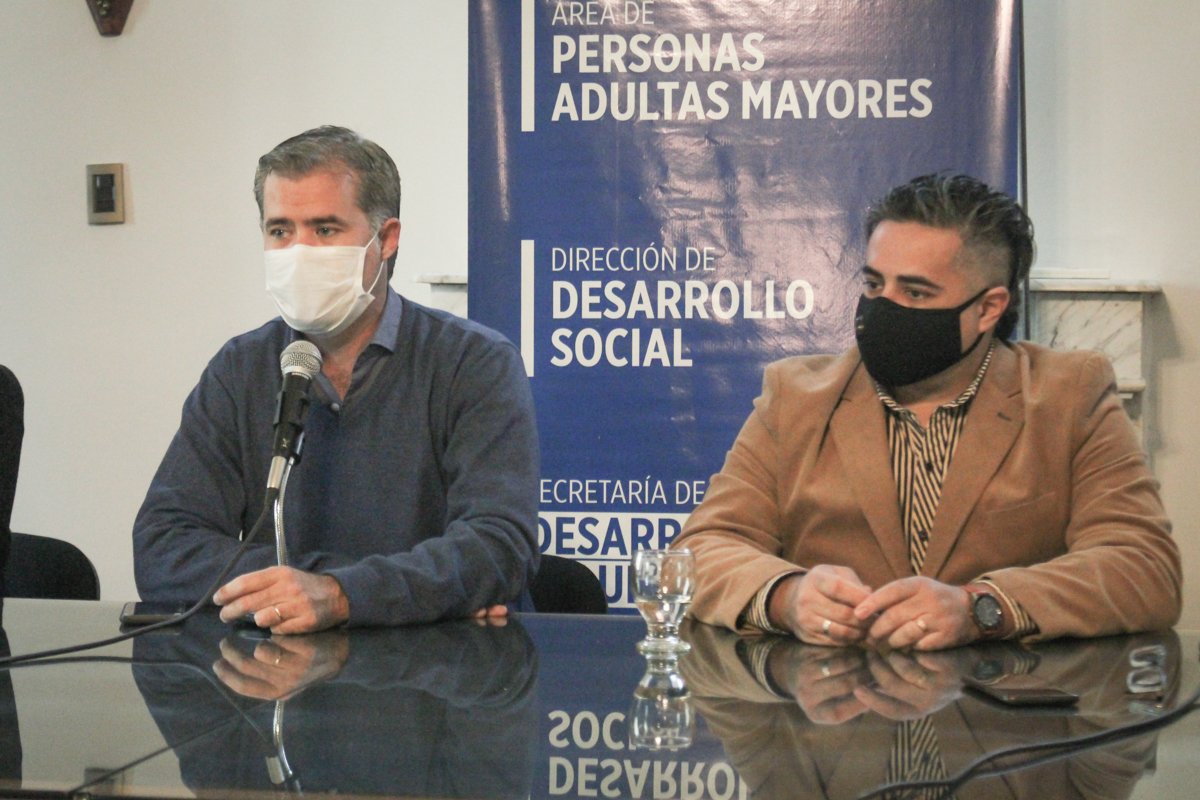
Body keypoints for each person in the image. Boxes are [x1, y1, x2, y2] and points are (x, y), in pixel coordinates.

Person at [673, 172, 1180, 650]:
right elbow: (700, 552)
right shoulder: (797, 397)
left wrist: (981, 607)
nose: (883, 308)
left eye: (915, 292)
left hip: (1000, 703)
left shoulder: (1068, 396)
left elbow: (1144, 569)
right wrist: (786, 597)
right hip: (832, 703)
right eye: (875, 285)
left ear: (988, 308)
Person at [133, 126, 539, 633]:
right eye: (280, 231)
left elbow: (497, 548)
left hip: (439, 669)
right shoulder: (240, 368)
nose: (298, 251)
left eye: (325, 230)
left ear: (386, 239)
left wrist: (342, 594)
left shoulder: (473, 362)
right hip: (283, 665)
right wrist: (323, 588)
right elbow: (163, 546)